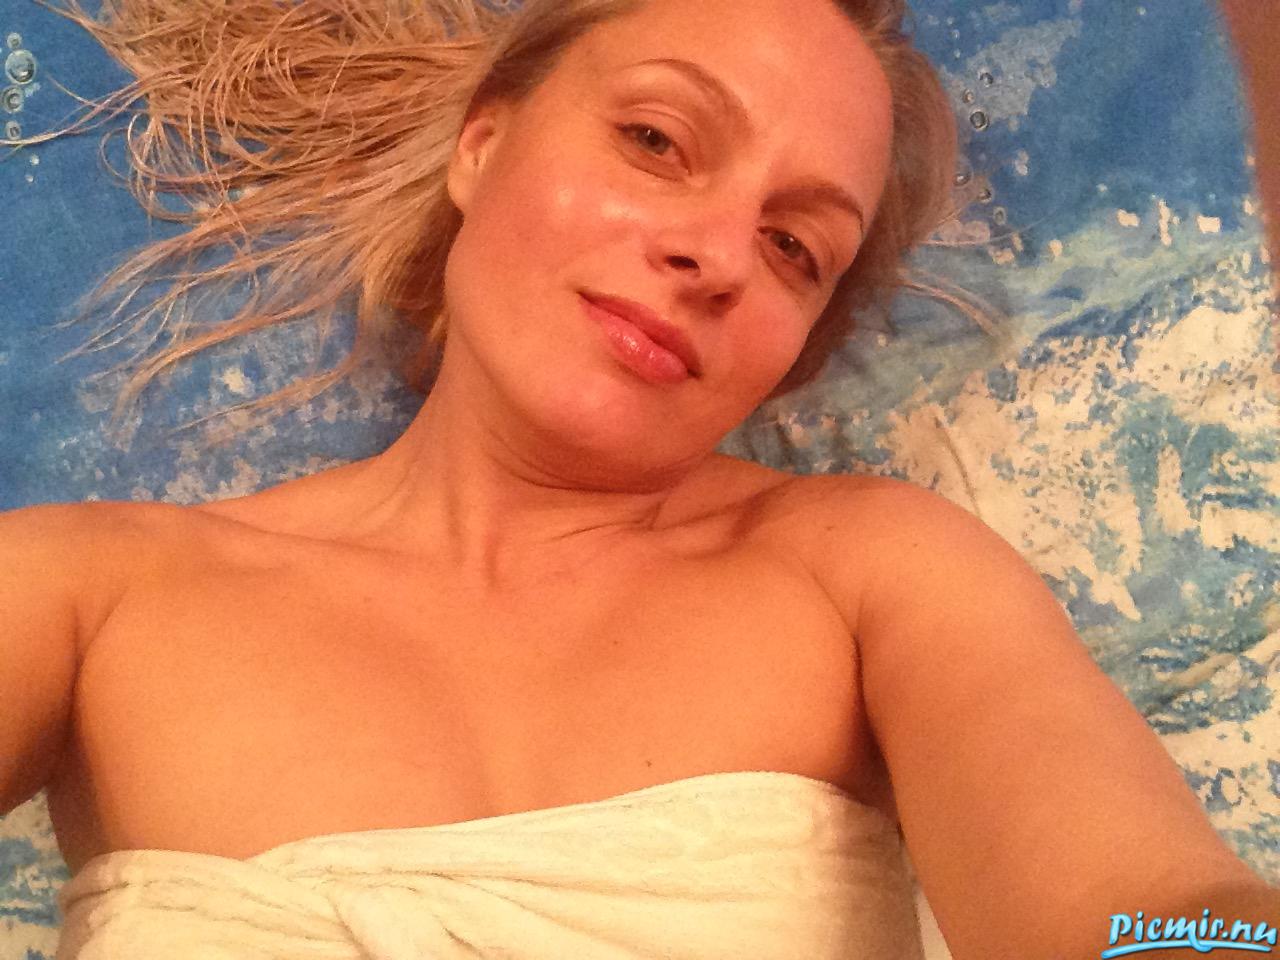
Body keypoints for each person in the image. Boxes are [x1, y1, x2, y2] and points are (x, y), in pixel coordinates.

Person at [1, 0, 1276, 957]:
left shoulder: (873, 572)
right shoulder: (94, 591)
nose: (718, 255)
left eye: (794, 246)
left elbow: (1146, 913)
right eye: (657, 140)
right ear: (481, 144)